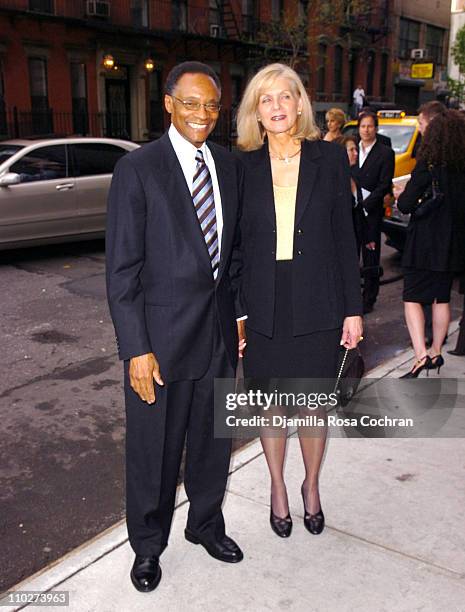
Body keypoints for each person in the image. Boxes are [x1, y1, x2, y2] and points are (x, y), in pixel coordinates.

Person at [106, 61, 245, 593]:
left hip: (216, 336)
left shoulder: (228, 167)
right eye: (191, 103)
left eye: (211, 105)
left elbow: (230, 256)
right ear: (168, 103)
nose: (202, 115)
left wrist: (239, 317)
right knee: (154, 452)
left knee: (214, 440)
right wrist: (134, 349)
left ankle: (205, 524)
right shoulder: (138, 169)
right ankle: (147, 546)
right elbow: (122, 271)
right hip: (158, 345)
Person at [235, 63, 363, 538]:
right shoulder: (241, 166)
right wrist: (238, 315)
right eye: (265, 99)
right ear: (256, 111)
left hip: (318, 299)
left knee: (311, 405)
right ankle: (277, 488)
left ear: (299, 103)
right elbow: (235, 250)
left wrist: (353, 308)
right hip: (264, 300)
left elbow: (343, 238)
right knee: (270, 405)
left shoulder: (328, 160)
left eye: (284, 97)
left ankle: (310, 486)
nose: (276, 107)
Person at [397, 110, 465, 377]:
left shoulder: (428, 165)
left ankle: (421, 356)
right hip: (451, 245)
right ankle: (436, 352)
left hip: (423, 243)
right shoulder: (461, 169)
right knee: (441, 299)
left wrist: (403, 193)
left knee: (412, 297)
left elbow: (405, 204)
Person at [353, 110, 395, 313]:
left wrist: (367, 204)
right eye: (363, 126)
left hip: (371, 212)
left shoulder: (385, 153)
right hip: (352, 211)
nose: (366, 130)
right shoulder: (352, 149)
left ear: (376, 128)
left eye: (370, 126)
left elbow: (384, 183)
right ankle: (351, 296)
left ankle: (369, 298)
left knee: (370, 255)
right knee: (351, 254)